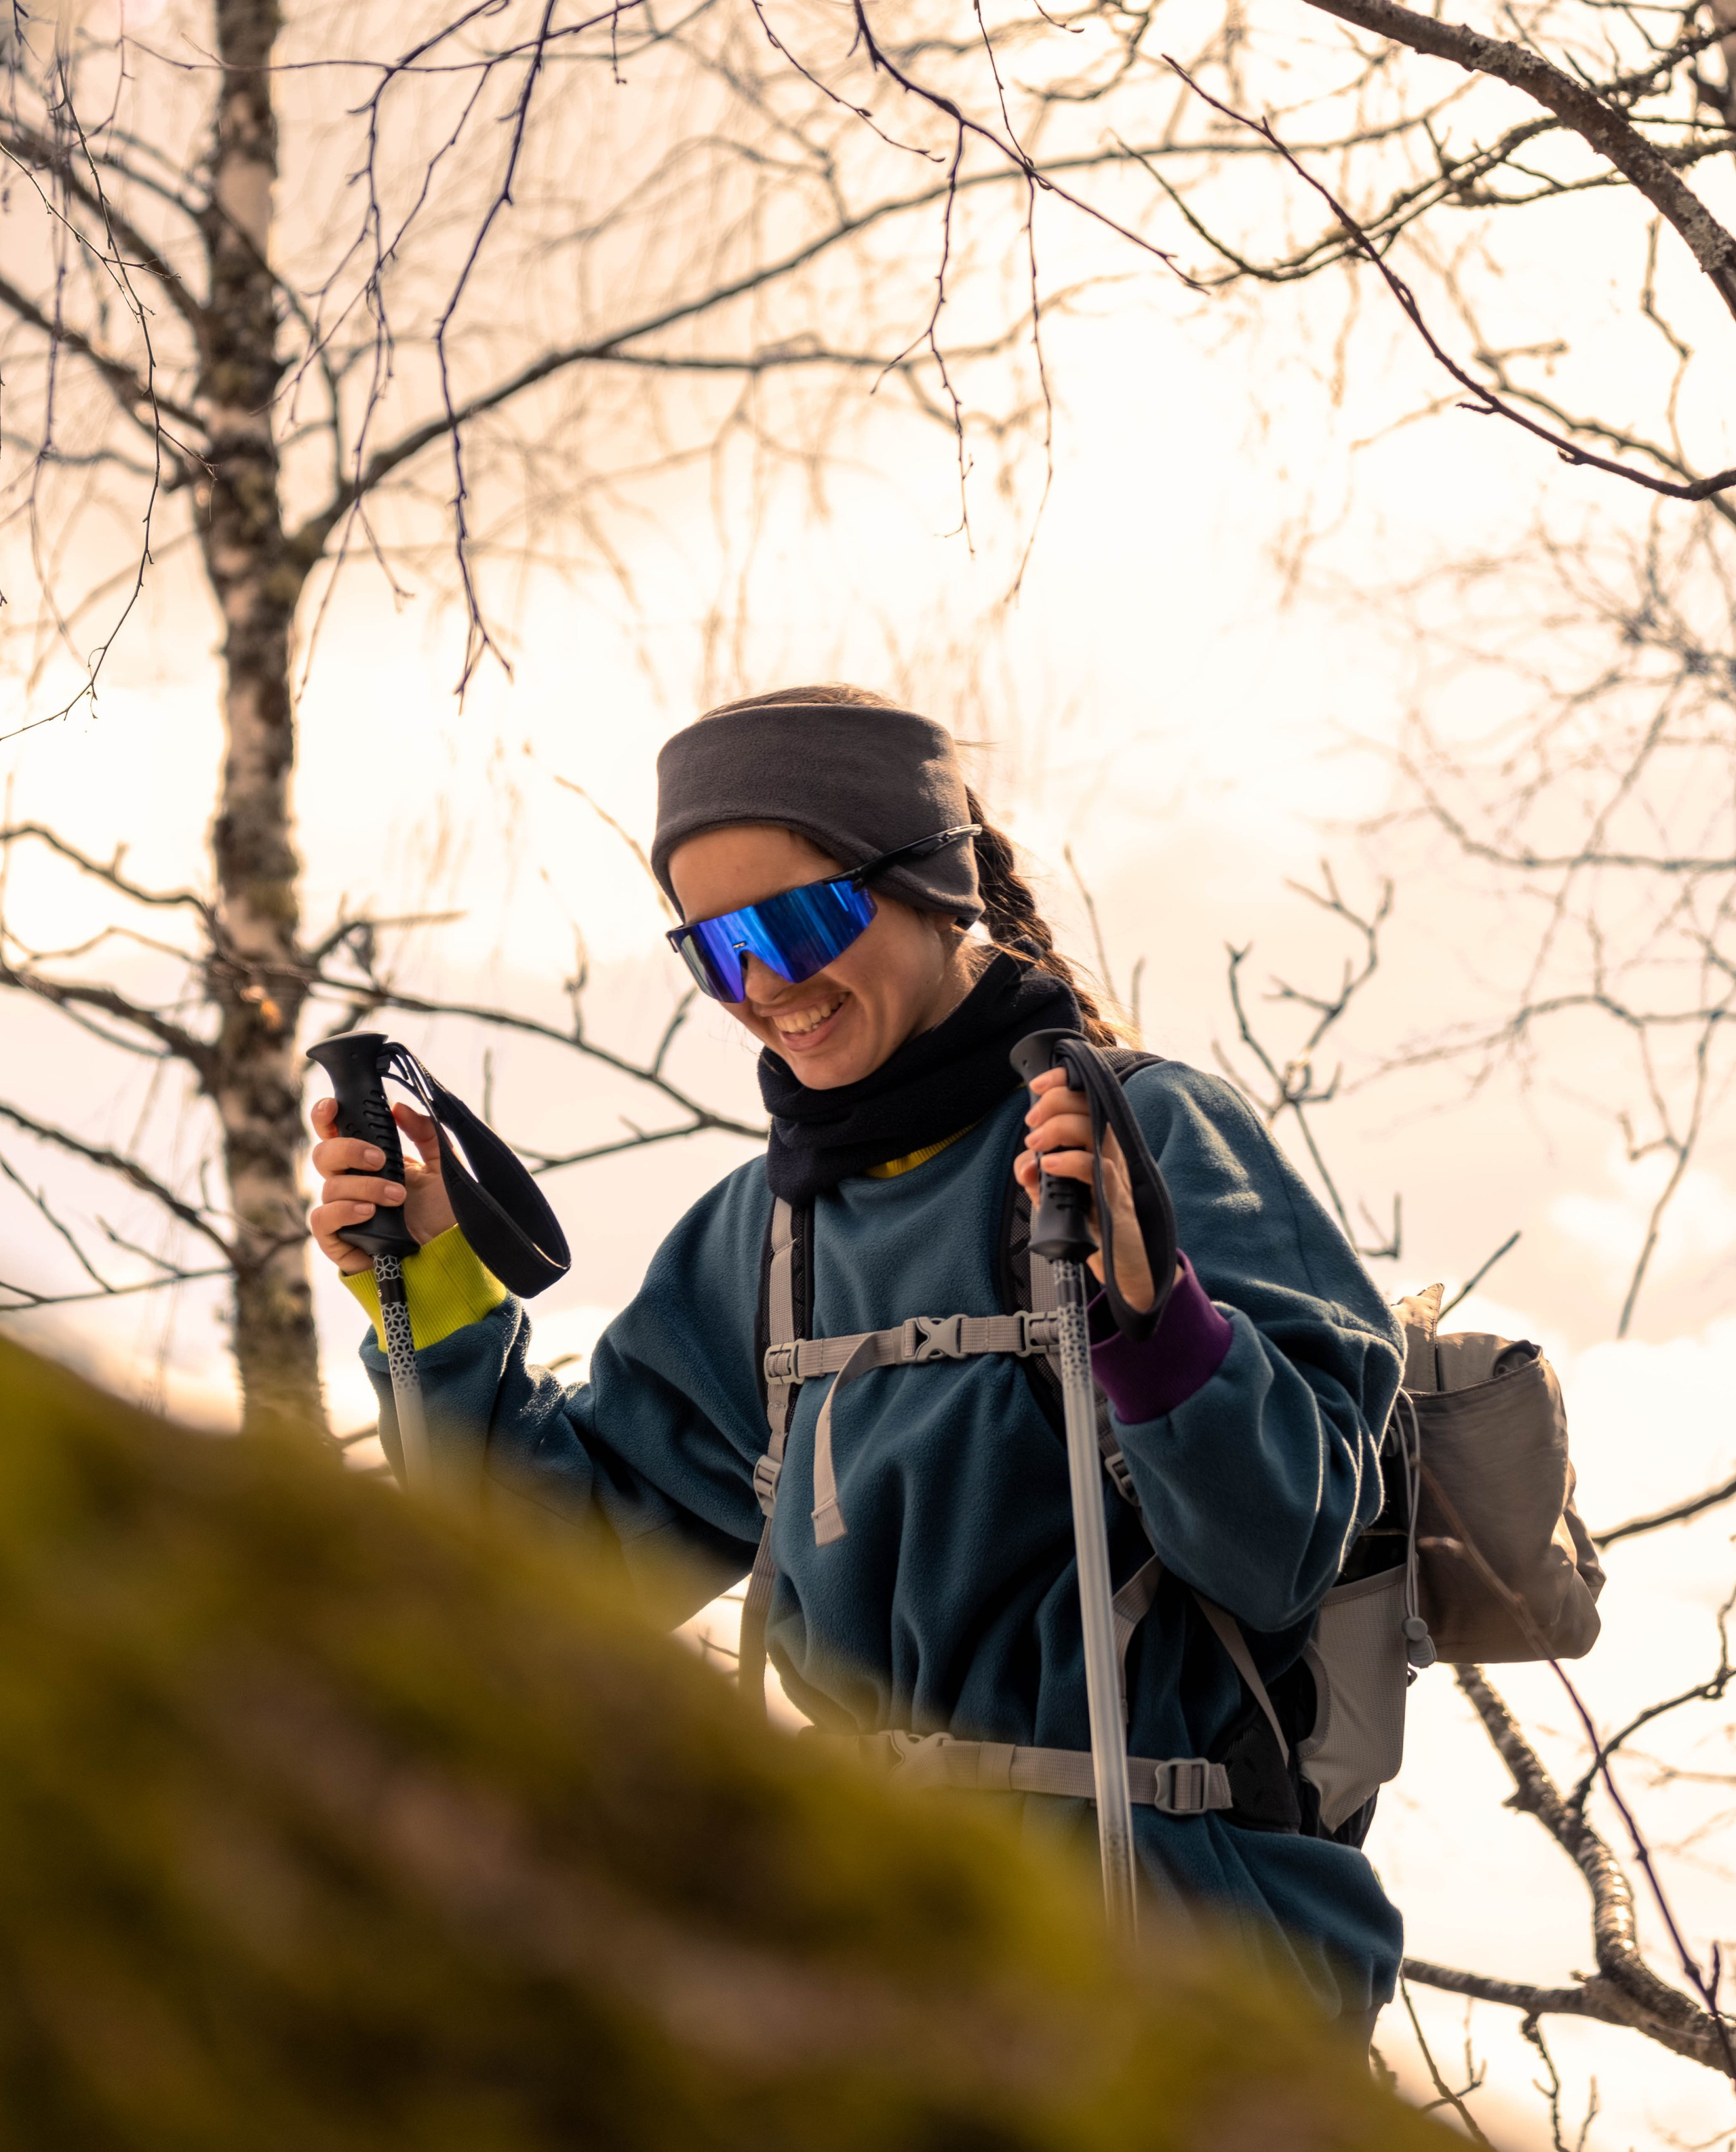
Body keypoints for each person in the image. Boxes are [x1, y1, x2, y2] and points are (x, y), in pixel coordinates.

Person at [309, 684, 1406, 2027]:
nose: (764, 986)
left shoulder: (1154, 1135)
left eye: (798, 921)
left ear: (935, 884)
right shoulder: (761, 1241)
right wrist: (428, 1282)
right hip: (881, 1959)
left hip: (1187, 1958)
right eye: (715, 953)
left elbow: (1280, 1546)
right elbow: (545, 1573)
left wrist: (1145, 1304)